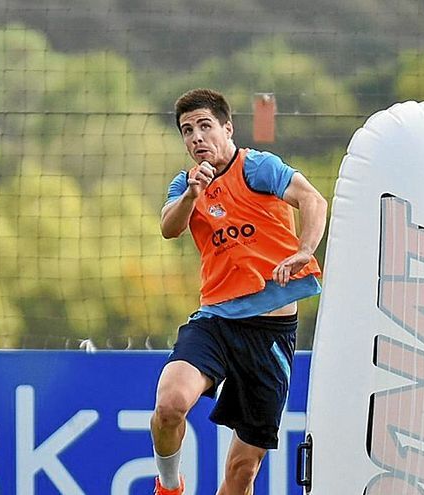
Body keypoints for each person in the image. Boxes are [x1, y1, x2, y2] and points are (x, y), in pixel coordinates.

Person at [151, 88, 327, 495]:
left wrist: (304, 250)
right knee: (170, 403)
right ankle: (169, 485)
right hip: (217, 322)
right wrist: (194, 195)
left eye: (205, 126)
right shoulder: (186, 184)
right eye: (187, 130)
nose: (196, 137)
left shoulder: (256, 168)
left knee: (242, 470)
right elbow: (169, 227)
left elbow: (313, 200)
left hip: (270, 337)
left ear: (227, 128)